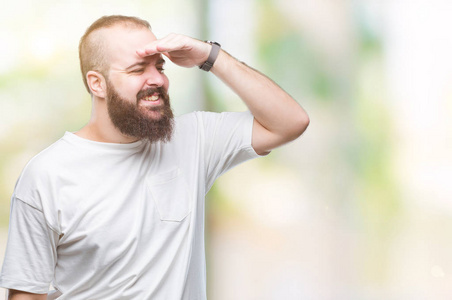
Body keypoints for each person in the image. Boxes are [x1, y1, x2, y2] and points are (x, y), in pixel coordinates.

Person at [0, 15, 309, 300]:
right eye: (138, 70)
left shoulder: (194, 139)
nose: (158, 80)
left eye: (159, 67)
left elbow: (290, 122)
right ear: (97, 83)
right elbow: (26, 294)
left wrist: (209, 56)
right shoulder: (46, 175)